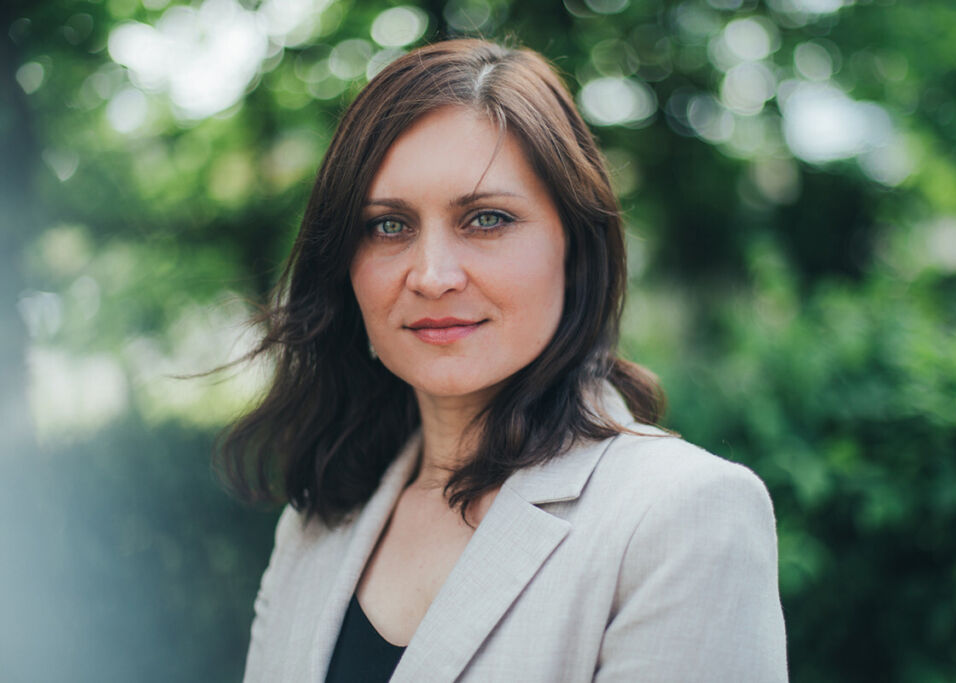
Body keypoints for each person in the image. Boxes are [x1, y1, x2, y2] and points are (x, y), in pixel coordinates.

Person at [222, 39, 787, 682]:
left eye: (486, 219)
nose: (432, 276)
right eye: (388, 226)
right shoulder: (317, 521)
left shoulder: (681, 516)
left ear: (575, 246)